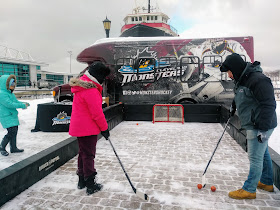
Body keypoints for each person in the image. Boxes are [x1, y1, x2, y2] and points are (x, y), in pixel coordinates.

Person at [220, 53, 277, 199]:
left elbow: (269, 104)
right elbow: (242, 95)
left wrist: (263, 129)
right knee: (262, 154)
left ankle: (249, 189)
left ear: (235, 68)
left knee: (255, 157)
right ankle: (266, 182)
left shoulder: (258, 80)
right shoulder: (243, 79)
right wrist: (234, 105)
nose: (229, 75)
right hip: (255, 123)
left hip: (259, 125)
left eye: (229, 72)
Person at [69, 62, 110, 195]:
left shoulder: (82, 87)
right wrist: (105, 129)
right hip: (88, 128)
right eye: (103, 78)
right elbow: (97, 113)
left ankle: (82, 181)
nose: (103, 81)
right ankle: (90, 185)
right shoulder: (91, 90)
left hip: (81, 127)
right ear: (98, 76)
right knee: (89, 155)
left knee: (83, 153)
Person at [0, 75, 30, 156]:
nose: (13, 86)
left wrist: (23, 103)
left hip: (12, 115)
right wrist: (22, 106)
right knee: (11, 132)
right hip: (6, 116)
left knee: (14, 132)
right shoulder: (2, 94)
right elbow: (9, 104)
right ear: (6, 84)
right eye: (11, 84)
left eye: (14, 84)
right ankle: (2, 147)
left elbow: (15, 101)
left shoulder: (10, 93)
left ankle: (13, 148)